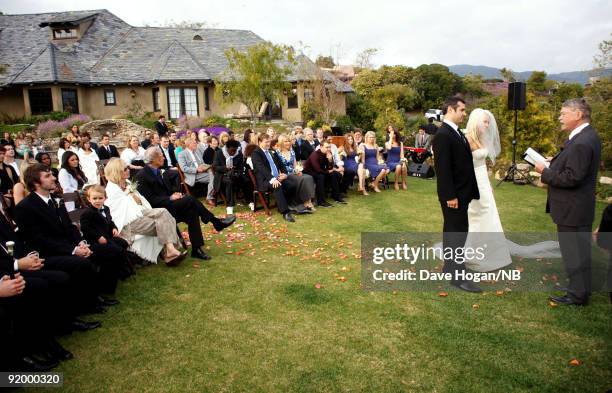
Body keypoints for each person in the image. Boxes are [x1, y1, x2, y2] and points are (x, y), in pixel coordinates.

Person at [14, 163, 117, 313]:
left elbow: (69, 226)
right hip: (47, 254)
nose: (54, 178)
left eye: (52, 174)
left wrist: (81, 243)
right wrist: (74, 250)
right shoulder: (25, 207)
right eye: (48, 176)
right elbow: (39, 240)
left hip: (68, 246)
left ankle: (100, 292)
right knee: (81, 263)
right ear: (36, 183)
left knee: (111, 251)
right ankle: (88, 303)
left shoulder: (55, 199)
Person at [535, 98, 601, 306]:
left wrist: (544, 172)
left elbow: (571, 178)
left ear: (578, 115)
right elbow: (571, 166)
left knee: (575, 251)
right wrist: (553, 164)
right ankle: (578, 288)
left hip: (573, 207)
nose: (559, 117)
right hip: (577, 206)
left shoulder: (582, 141)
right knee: (577, 250)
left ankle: (577, 295)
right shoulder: (585, 136)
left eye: (563, 113)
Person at [136, 147, 236, 260]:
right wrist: (170, 198)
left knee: (192, 211)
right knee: (190, 199)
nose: (163, 157)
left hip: (169, 206)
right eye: (160, 156)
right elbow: (149, 200)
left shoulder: (158, 171)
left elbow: (166, 191)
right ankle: (216, 222)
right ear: (153, 159)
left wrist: (175, 195)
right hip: (160, 212)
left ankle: (196, 249)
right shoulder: (142, 175)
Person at [432, 96, 481, 293]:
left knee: (452, 232)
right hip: (454, 195)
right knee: (457, 234)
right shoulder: (443, 134)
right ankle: (457, 276)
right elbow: (443, 170)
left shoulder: (455, 132)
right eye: (461, 110)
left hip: (462, 193)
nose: (464, 113)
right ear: (450, 110)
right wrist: (450, 196)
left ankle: (449, 268)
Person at [104, 158, 185, 265]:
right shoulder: (112, 189)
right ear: (116, 171)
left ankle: (169, 250)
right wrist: (129, 195)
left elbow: (139, 201)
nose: (128, 170)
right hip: (128, 223)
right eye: (125, 169)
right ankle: (170, 251)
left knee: (164, 212)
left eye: (128, 167)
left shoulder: (127, 183)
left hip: (140, 213)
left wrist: (131, 194)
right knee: (162, 221)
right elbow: (120, 211)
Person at [80, 185, 134, 278]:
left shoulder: (106, 209)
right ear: (89, 199)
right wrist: (98, 237)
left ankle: (121, 267)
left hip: (107, 237)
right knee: (117, 249)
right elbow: (86, 228)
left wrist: (114, 228)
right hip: (94, 241)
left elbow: (110, 221)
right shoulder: (87, 213)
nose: (97, 201)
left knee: (123, 243)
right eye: (94, 198)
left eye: (100, 198)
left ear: (105, 198)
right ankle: (120, 272)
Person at [251, 134, 298, 222]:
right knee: (277, 186)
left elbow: (281, 164)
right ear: (260, 142)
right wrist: (272, 179)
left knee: (291, 184)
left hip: (277, 178)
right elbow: (261, 168)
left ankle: (288, 205)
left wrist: (284, 174)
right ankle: (285, 212)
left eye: (269, 141)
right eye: (266, 142)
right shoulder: (256, 153)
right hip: (265, 181)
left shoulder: (272, 151)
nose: (268, 144)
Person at [275, 134, 315, 212]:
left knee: (308, 177)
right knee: (304, 178)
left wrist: (298, 170)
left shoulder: (292, 151)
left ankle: (308, 201)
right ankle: (306, 202)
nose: (288, 143)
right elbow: (277, 167)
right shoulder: (277, 153)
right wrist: (283, 175)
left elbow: (295, 165)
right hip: (285, 175)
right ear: (281, 142)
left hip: (294, 173)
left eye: (289, 141)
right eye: (285, 141)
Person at [213, 139, 253, 216]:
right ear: (227, 148)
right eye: (231, 151)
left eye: (234, 151)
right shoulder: (219, 153)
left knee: (246, 180)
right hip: (222, 176)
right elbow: (215, 167)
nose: (233, 153)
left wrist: (237, 172)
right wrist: (226, 168)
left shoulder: (238, 154)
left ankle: (250, 201)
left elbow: (241, 167)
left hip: (235, 174)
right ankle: (229, 206)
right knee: (229, 182)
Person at [304, 141, 346, 207]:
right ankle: (321, 201)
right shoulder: (315, 155)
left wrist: (330, 160)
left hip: (321, 171)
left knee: (336, 174)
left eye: (329, 147)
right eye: (326, 147)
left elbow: (330, 167)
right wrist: (328, 171)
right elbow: (318, 170)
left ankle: (336, 196)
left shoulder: (328, 153)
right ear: (321, 147)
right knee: (321, 176)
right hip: (310, 172)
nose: (328, 149)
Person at [178, 138, 215, 203]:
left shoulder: (197, 151)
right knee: (214, 177)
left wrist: (205, 166)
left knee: (214, 174)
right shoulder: (182, 154)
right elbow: (184, 168)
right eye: (194, 143)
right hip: (193, 175)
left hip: (203, 172)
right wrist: (196, 170)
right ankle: (210, 197)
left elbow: (202, 162)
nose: (196, 144)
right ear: (189, 145)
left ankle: (210, 196)